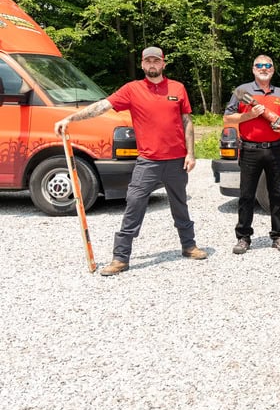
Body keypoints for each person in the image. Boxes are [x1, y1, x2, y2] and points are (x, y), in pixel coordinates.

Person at [53, 46, 207, 276]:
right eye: (148, 61)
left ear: (163, 63)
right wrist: (70, 118)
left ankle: (189, 245)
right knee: (134, 205)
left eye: (156, 61)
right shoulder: (132, 90)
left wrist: (190, 153)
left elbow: (187, 121)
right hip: (148, 162)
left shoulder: (178, 88)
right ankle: (120, 258)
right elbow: (102, 106)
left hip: (176, 161)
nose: (152, 65)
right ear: (143, 65)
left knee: (180, 205)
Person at [223, 55, 280, 254]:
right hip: (250, 150)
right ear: (253, 69)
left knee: (277, 194)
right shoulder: (242, 91)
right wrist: (249, 115)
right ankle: (243, 237)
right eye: (259, 65)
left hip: (275, 149)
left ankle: (278, 235)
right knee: (246, 195)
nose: (264, 68)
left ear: (272, 69)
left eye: (268, 65)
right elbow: (227, 118)